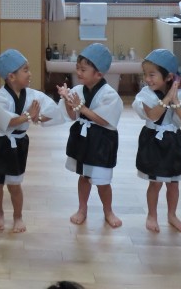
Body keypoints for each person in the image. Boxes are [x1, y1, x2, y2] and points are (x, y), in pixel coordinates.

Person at [0, 49, 61, 233]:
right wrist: (28, 115)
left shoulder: (33, 95)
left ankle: (18, 216)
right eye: (25, 70)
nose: (30, 74)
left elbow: (51, 112)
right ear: (11, 76)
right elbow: (7, 121)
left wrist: (37, 117)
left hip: (18, 143)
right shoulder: (1, 97)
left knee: (14, 184)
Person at [57, 43, 123, 228]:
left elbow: (103, 120)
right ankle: (82, 208)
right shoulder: (78, 90)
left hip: (102, 141)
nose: (78, 72)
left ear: (99, 74)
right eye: (77, 68)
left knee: (103, 181)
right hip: (83, 138)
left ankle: (108, 211)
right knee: (84, 176)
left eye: (83, 69)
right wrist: (68, 101)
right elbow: (73, 116)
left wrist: (81, 107)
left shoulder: (109, 94)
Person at [132, 49, 181, 232]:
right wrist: (168, 98)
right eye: (145, 74)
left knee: (173, 183)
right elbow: (153, 115)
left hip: (173, 141)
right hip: (152, 140)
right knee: (155, 182)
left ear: (168, 77)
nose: (147, 79)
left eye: (152, 74)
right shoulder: (145, 94)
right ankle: (152, 215)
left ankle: (172, 215)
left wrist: (175, 100)